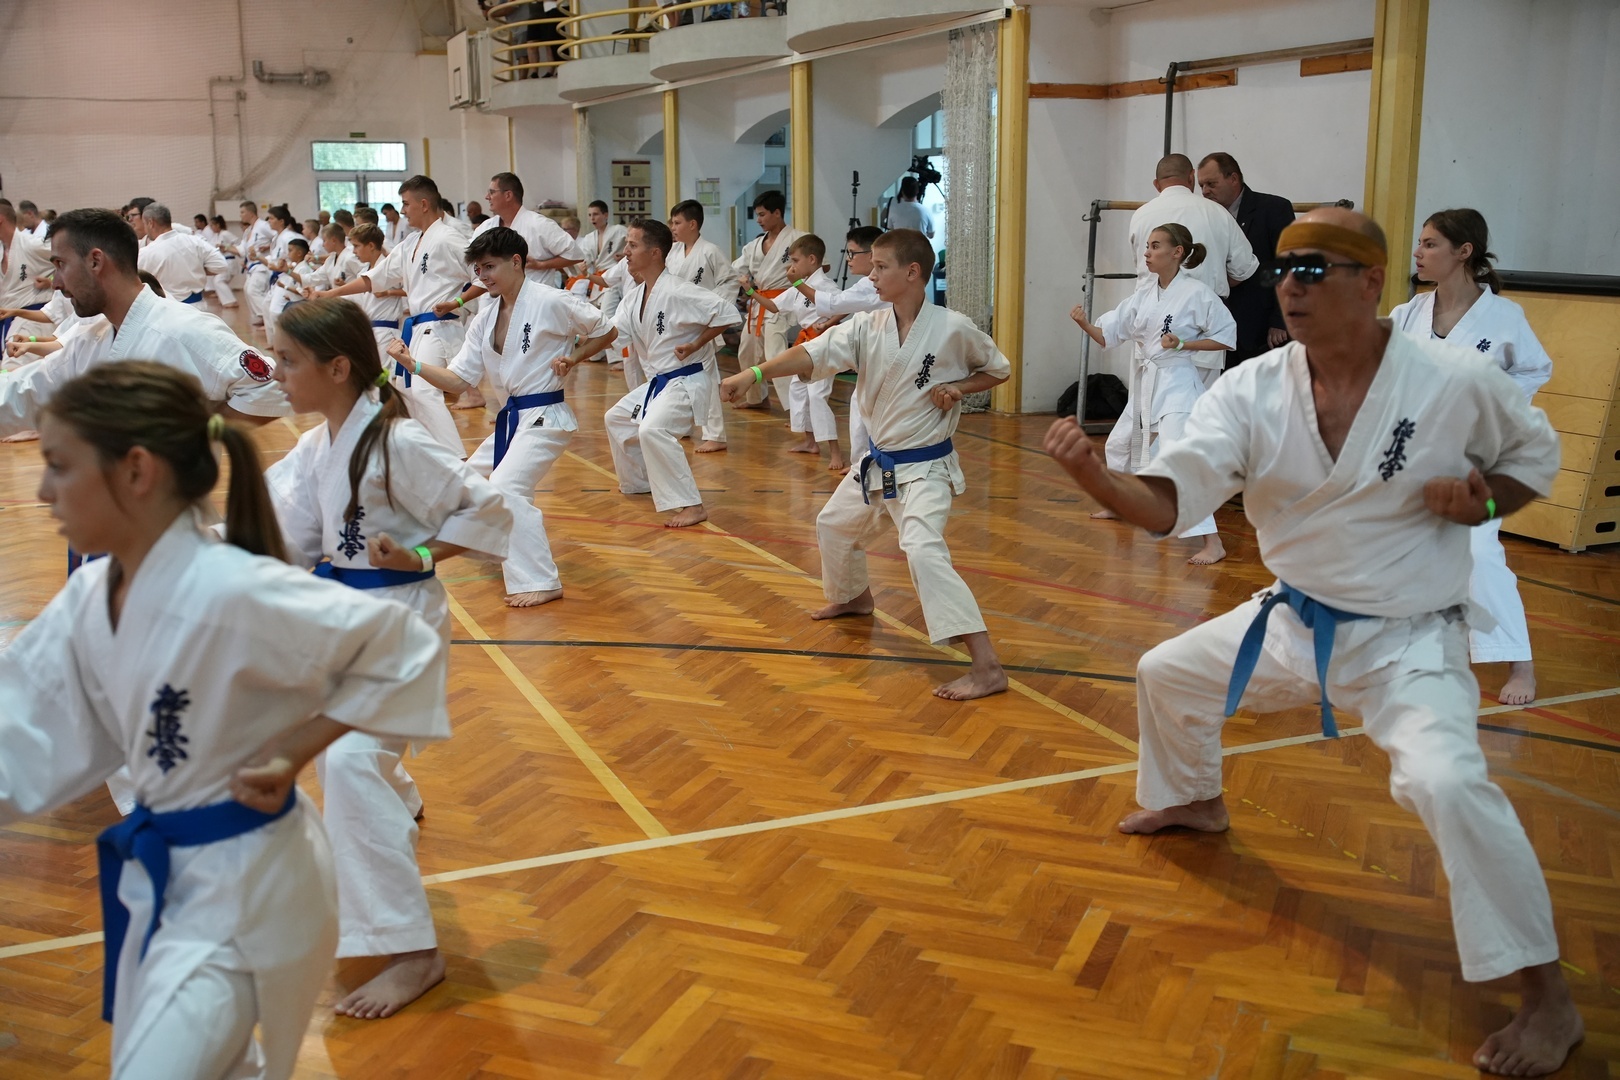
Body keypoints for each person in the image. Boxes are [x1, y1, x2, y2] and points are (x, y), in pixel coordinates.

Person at [1042, 207, 1581, 1078]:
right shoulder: (1253, 389)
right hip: (1293, 619)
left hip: (1409, 639)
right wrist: (1095, 475)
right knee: (1166, 672)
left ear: (1371, 283)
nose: (1291, 285)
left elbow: (1533, 456)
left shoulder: (1450, 380)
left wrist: (1484, 502)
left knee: (1448, 782)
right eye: (1285, 268)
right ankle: (1193, 799)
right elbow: (1172, 502)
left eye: (1316, 268)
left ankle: (1548, 998)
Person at [0, 360, 450, 1078]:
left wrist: (294, 752)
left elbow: (404, 648)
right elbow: (21, 723)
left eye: (59, 466)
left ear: (136, 470)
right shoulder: (96, 592)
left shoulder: (232, 588)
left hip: (250, 880)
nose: (42, 491)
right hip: (172, 879)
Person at [266, 298, 510, 1020]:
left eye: (288, 360)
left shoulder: (397, 442)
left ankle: (414, 953)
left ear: (338, 368)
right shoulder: (321, 444)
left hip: (402, 625)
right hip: (347, 621)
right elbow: (283, 533)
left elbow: (490, 509)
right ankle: (397, 797)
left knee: (347, 762)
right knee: (343, 753)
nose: (277, 373)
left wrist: (423, 554)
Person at [719, 229, 1011, 700]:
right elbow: (809, 353)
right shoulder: (867, 326)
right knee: (834, 525)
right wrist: (752, 373)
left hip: (924, 468)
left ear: (912, 272)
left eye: (879, 267)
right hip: (877, 463)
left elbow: (997, 369)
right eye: (871, 266)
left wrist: (960, 387)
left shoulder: (953, 327)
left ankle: (987, 667)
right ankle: (854, 598)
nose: (870, 275)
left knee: (923, 551)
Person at [388, 226, 614, 606]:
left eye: (490, 267)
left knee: (507, 486)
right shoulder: (485, 317)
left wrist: (574, 357)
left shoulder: (550, 300)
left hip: (545, 415)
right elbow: (458, 381)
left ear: (516, 262)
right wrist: (414, 364)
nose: (483, 276)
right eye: (478, 270)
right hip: (513, 420)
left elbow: (606, 330)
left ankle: (540, 580)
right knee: (464, 484)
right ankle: (497, 546)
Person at [1391, 208, 1553, 706]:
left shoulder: (1504, 317)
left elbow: (1535, 369)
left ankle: (1520, 663)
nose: (1418, 252)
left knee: (1479, 554)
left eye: (1430, 244)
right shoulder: (1408, 314)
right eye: (1420, 243)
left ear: (1464, 252)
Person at [0, 209, 287, 434]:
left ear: (96, 261)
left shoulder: (182, 329)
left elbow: (270, 386)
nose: (56, 283)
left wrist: (196, 436)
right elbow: (22, 393)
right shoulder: (88, 340)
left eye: (61, 265)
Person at [558, 218, 741, 528]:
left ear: (655, 252)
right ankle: (638, 481)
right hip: (660, 384)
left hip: (686, 380)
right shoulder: (635, 297)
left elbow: (727, 313)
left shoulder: (679, 290)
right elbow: (611, 334)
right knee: (617, 418)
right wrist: (574, 356)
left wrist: (696, 343)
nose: (625, 252)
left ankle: (692, 505)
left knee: (652, 430)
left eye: (632, 245)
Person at [1069, 223, 1234, 564]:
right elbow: (1108, 335)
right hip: (1147, 383)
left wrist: (1184, 344)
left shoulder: (1198, 293)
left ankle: (1213, 542)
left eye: (1155, 246)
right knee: (1118, 444)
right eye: (1147, 246)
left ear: (1177, 252)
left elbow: (1225, 337)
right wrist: (1085, 324)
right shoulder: (1144, 294)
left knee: (1178, 459)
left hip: (1177, 386)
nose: (1147, 252)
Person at [315, 175, 469, 456]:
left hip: (439, 326)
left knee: (423, 391)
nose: (402, 210)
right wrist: (331, 294)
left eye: (406, 204)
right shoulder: (410, 243)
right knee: (406, 390)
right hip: (417, 328)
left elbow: (480, 274)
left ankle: (456, 457)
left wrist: (458, 301)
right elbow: (374, 278)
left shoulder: (449, 238)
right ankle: (425, 452)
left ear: (424, 204)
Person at [754, 233, 843, 471]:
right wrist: (751, 292)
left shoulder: (826, 286)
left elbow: (843, 307)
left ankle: (835, 451)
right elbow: (774, 306)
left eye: (795, 260)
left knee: (817, 395)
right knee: (798, 389)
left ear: (811, 259)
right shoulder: (799, 286)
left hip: (824, 344)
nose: (791, 266)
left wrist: (828, 323)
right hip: (805, 344)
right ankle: (810, 442)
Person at [1198, 152, 1295, 366]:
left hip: (1263, 330)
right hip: (1218, 331)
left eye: (1211, 184)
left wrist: (1281, 320)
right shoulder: (1204, 217)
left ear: (1233, 179)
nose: (1205, 191)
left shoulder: (1273, 209)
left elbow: (1288, 265)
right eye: (1201, 185)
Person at [1128, 154, 1257, 300]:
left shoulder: (1140, 215)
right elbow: (1242, 268)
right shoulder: (1217, 211)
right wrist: (1211, 280)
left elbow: (1142, 264)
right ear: (1191, 177)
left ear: (1157, 184)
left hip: (1150, 304)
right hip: (1205, 305)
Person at [813, 225, 890, 467]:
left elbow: (835, 303)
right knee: (860, 410)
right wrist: (830, 323)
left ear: (871, 254)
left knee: (867, 414)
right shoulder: (872, 282)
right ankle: (862, 466)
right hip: (875, 355)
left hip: (886, 357)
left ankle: (864, 467)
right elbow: (849, 305)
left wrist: (796, 283)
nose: (848, 259)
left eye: (852, 253)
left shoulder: (874, 283)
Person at [668, 199, 737, 453]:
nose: (673, 227)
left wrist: (711, 306)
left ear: (692, 224)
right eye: (672, 222)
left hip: (703, 324)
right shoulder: (673, 252)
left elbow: (730, 281)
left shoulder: (710, 251)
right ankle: (683, 424)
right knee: (679, 378)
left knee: (707, 377)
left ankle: (716, 435)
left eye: (677, 222)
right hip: (680, 322)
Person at [732, 190, 804, 410]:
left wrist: (797, 275)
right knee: (747, 353)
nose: (758, 220)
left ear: (777, 213)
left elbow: (821, 265)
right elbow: (735, 270)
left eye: (762, 214)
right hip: (758, 303)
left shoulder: (798, 239)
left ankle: (795, 409)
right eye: (757, 215)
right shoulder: (754, 245)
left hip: (781, 304)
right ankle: (757, 398)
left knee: (776, 356)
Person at [137, 204, 229, 305]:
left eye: (144, 224)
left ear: (150, 223)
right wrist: (196, 268)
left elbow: (136, 282)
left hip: (170, 309)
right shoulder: (195, 241)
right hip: (199, 306)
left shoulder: (146, 253)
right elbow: (221, 265)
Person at [0, 201, 56, 342]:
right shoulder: (1, 250)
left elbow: (74, 259)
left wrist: (52, 281)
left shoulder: (32, 244)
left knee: (16, 355)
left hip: (33, 318)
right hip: (8, 317)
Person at [239, 201, 276, 330]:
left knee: (253, 290)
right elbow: (242, 250)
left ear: (250, 212)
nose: (240, 215)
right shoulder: (248, 230)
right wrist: (226, 248)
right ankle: (261, 316)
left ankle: (268, 319)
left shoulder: (263, 226)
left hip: (263, 264)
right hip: (252, 266)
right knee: (247, 289)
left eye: (242, 212)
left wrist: (268, 246)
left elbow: (277, 235)